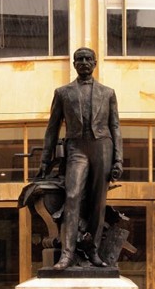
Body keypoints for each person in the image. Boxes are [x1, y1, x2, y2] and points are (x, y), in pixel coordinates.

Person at [38, 47, 123, 270]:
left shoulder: (108, 93)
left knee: (98, 202)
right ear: (74, 64)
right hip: (76, 147)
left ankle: (93, 251)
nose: (84, 62)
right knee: (72, 195)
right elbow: (52, 128)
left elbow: (115, 127)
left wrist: (118, 159)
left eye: (88, 59)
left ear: (95, 63)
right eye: (80, 59)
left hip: (102, 146)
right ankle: (67, 254)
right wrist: (45, 159)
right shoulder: (62, 93)